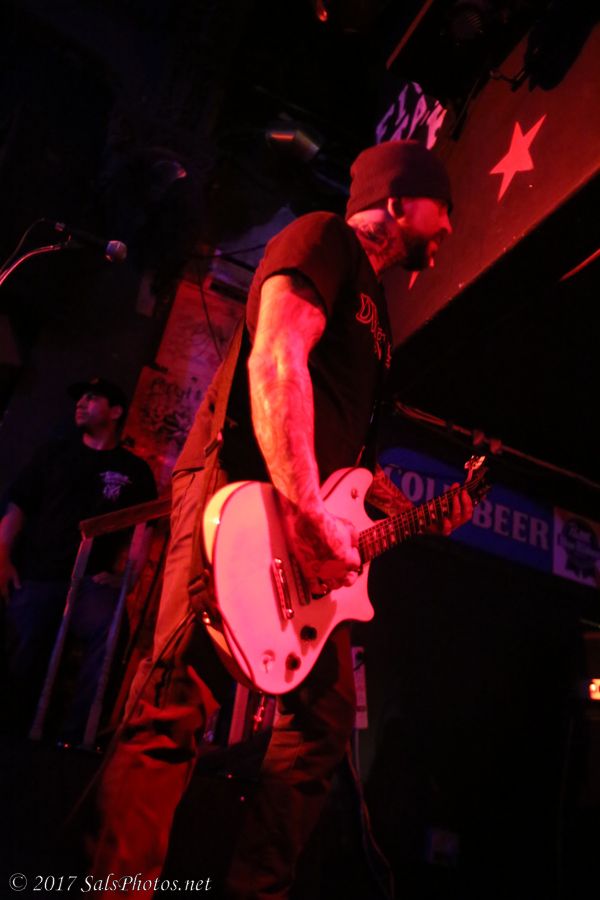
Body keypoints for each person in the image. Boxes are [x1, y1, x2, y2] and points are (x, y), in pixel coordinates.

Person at [84, 141, 473, 897]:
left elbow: (350, 460)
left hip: (305, 526)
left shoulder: (379, 320)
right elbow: (277, 359)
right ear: (397, 202)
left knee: (321, 724)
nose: (452, 226)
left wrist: (413, 511)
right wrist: (302, 508)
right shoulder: (322, 236)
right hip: (242, 497)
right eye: (444, 207)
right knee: (175, 703)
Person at [0, 376, 157, 741]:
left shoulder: (133, 470)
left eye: (92, 397)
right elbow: (17, 508)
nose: (81, 402)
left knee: (112, 628)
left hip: (89, 583)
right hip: (38, 576)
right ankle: (10, 737)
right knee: (25, 645)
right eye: (80, 397)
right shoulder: (54, 454)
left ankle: (75, 740)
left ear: (115, 412)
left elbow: (144, 529)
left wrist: (127, 579)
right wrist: (2, 557)